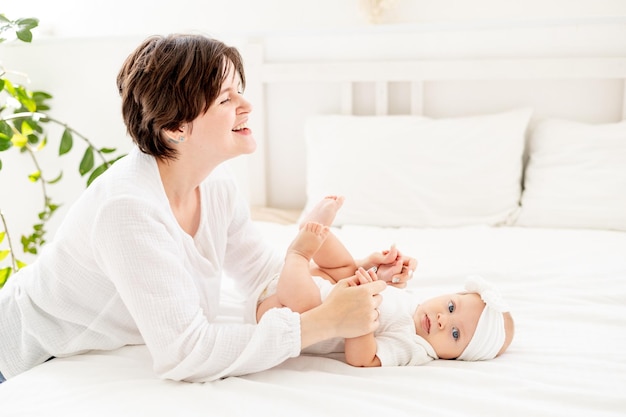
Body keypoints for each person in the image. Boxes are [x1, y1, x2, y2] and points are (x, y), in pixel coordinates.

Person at [0, 34, 418, 384]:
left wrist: (347, 275)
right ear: (174, 127)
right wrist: (324, 324)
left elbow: (260, 275)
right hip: (21, 357)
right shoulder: (126, 208)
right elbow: (184, 352)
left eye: (241, 91)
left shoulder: (215, 183)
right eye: (225, 98)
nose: (246, 105)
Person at [256, 196, 515, 366]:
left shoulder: (415, 347)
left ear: (457, 356)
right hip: (314, 283)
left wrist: (364, 307)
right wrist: (379, 276)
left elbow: (363, 359)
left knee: (310, 303)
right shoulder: (414, 305)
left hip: (287, 311)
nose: (442, 320)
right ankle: (314, 230)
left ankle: (299, 254)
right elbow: (379, 293)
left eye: (455, 334)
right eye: (451, 307)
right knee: (345, 267)